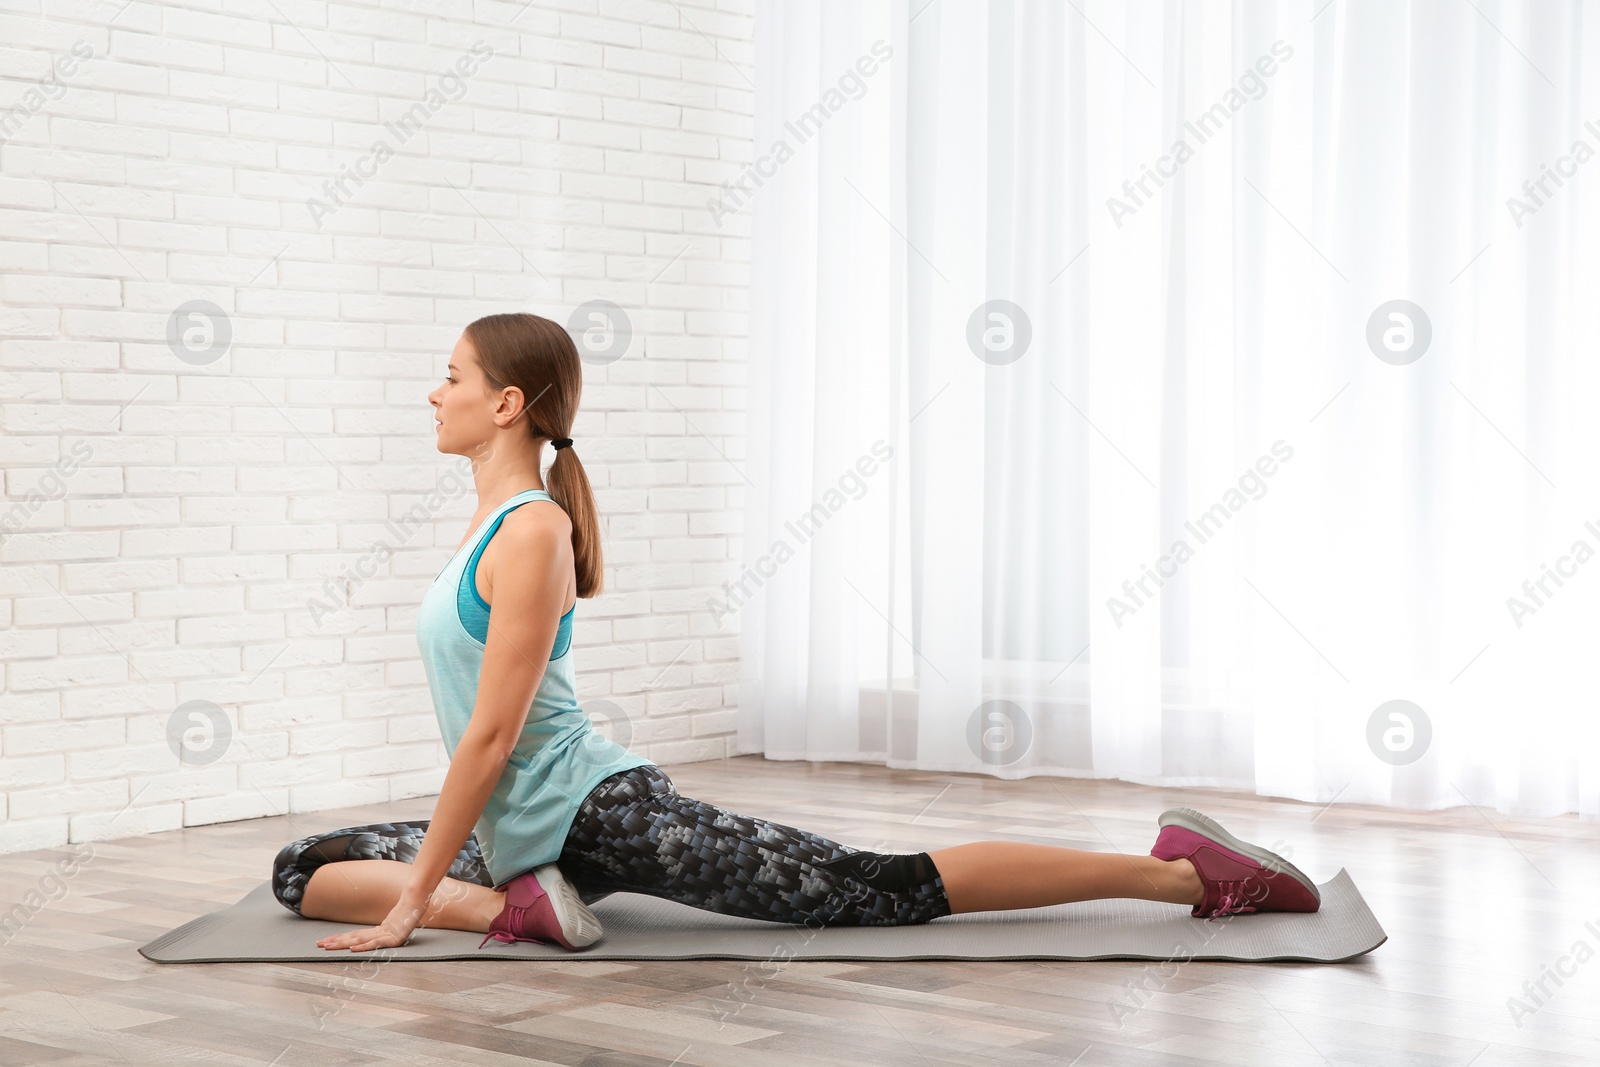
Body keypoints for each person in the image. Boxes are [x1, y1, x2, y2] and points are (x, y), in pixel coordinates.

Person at [270, 312, 1321, 954]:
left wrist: (412, 901)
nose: (431, 389)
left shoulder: (534, 530)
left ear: (505, 404)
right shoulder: (485, 524)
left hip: (598, 812)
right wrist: (446, 878)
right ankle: (512, 903)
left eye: (448, 373)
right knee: (301, 866)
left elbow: (493, 739)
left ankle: (1181, 871)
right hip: (520, 833)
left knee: (880, 886)